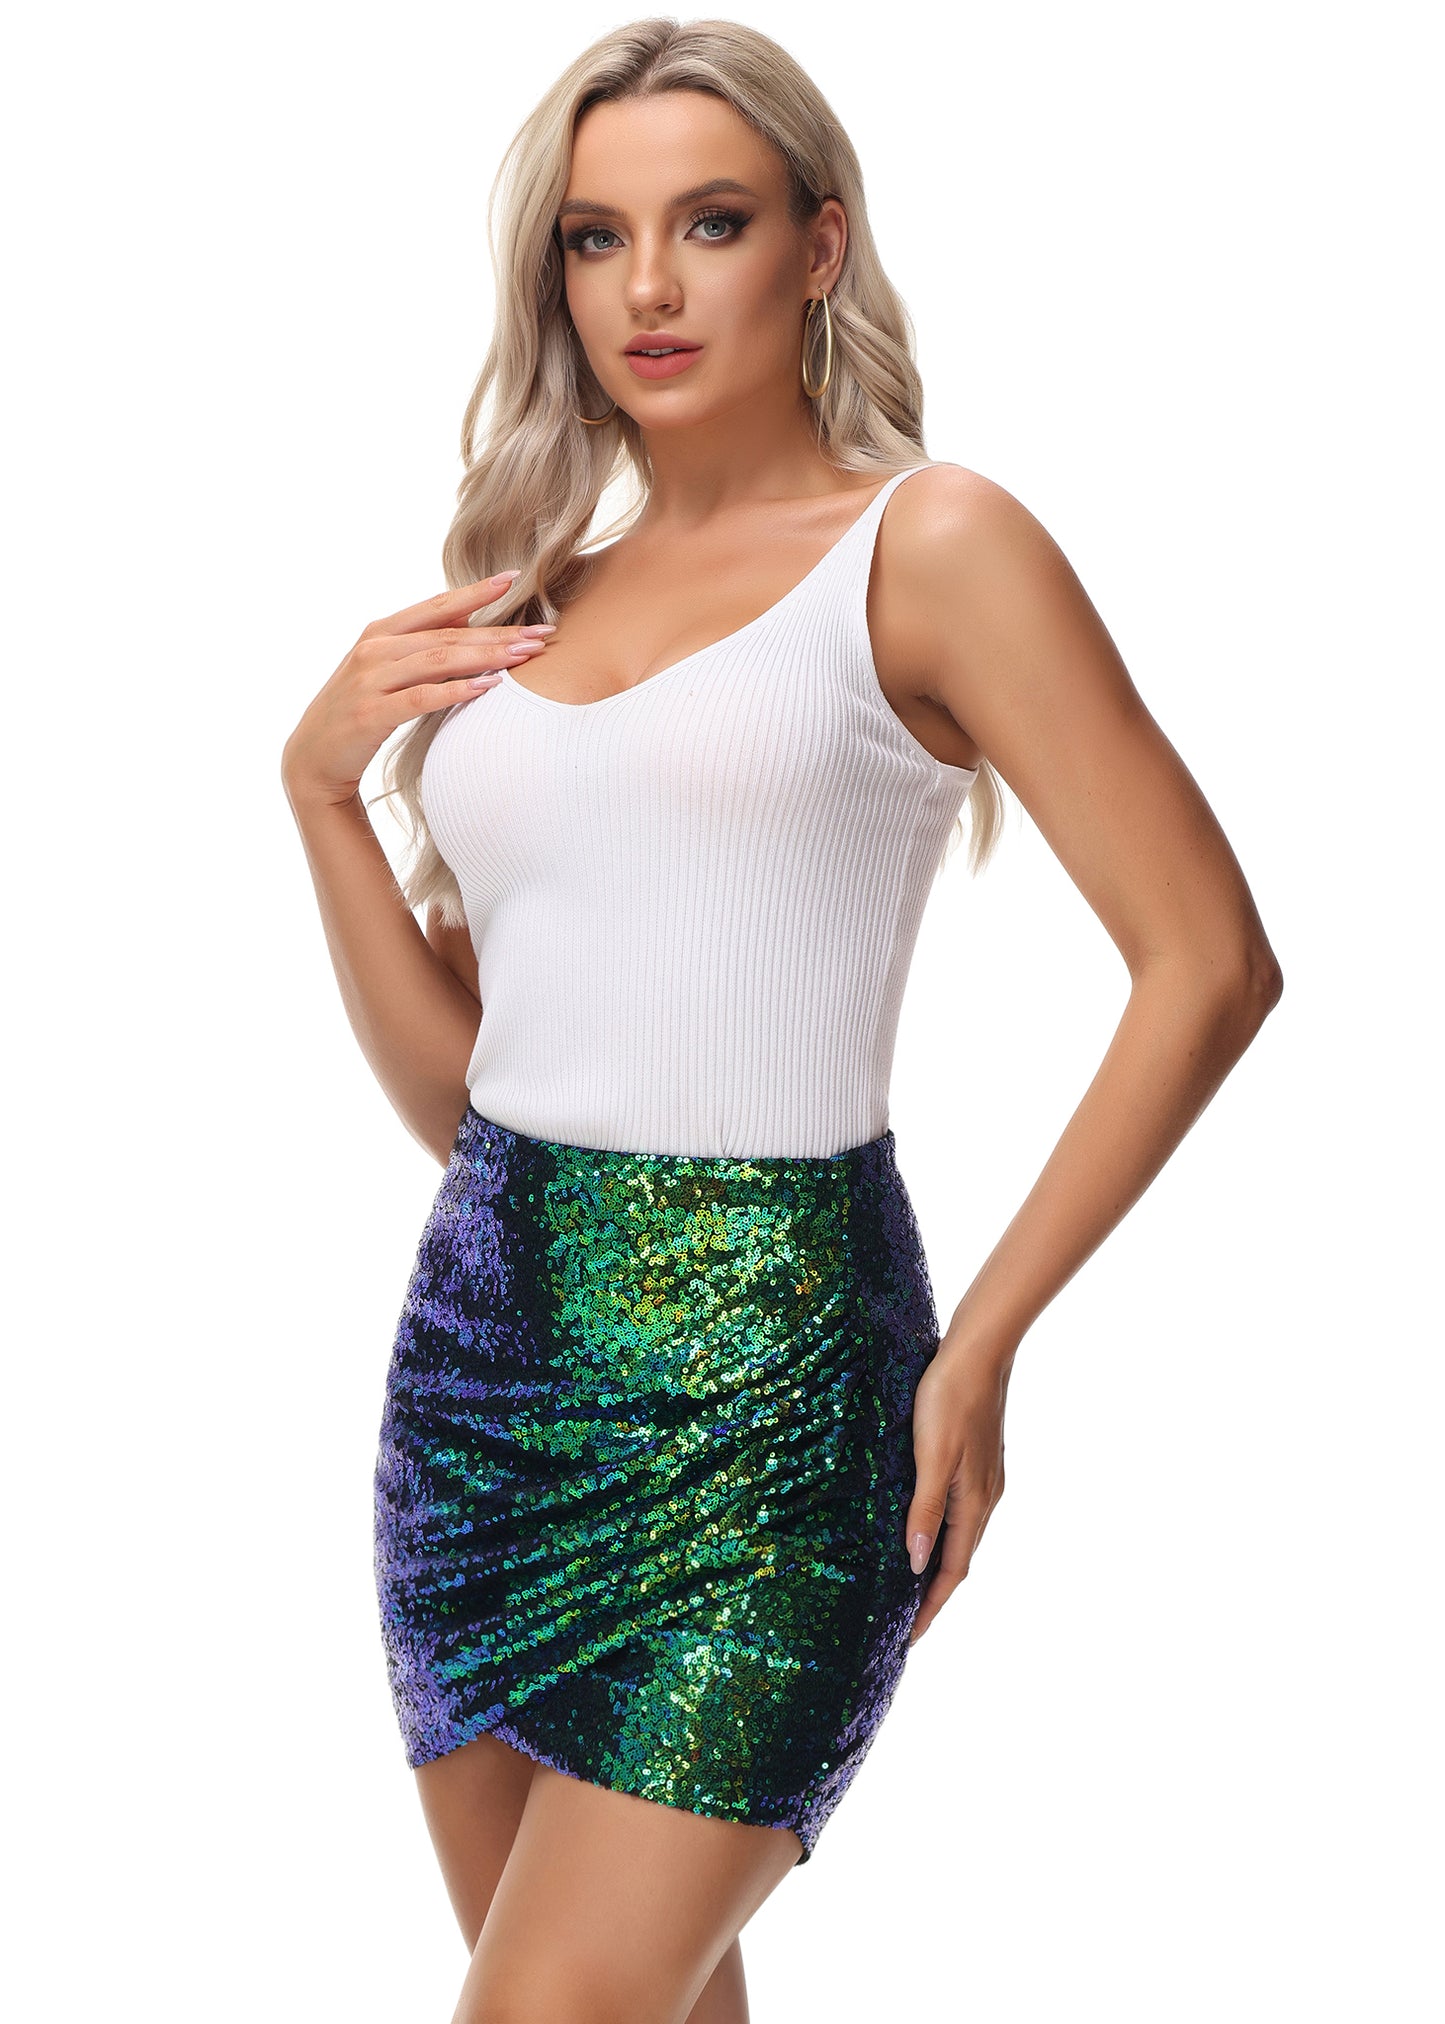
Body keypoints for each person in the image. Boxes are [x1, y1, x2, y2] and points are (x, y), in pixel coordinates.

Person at [280, 18, 1283, 2023]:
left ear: (819, 247)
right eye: (595, 238)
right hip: (481, 1374)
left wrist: (982, 1342)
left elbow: (1208, 960)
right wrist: (320, 795)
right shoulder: (526, 600)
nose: (646, 286)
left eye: (711, 223)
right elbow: (471, 1100)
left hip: (783, 1396)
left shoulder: (932, 542)